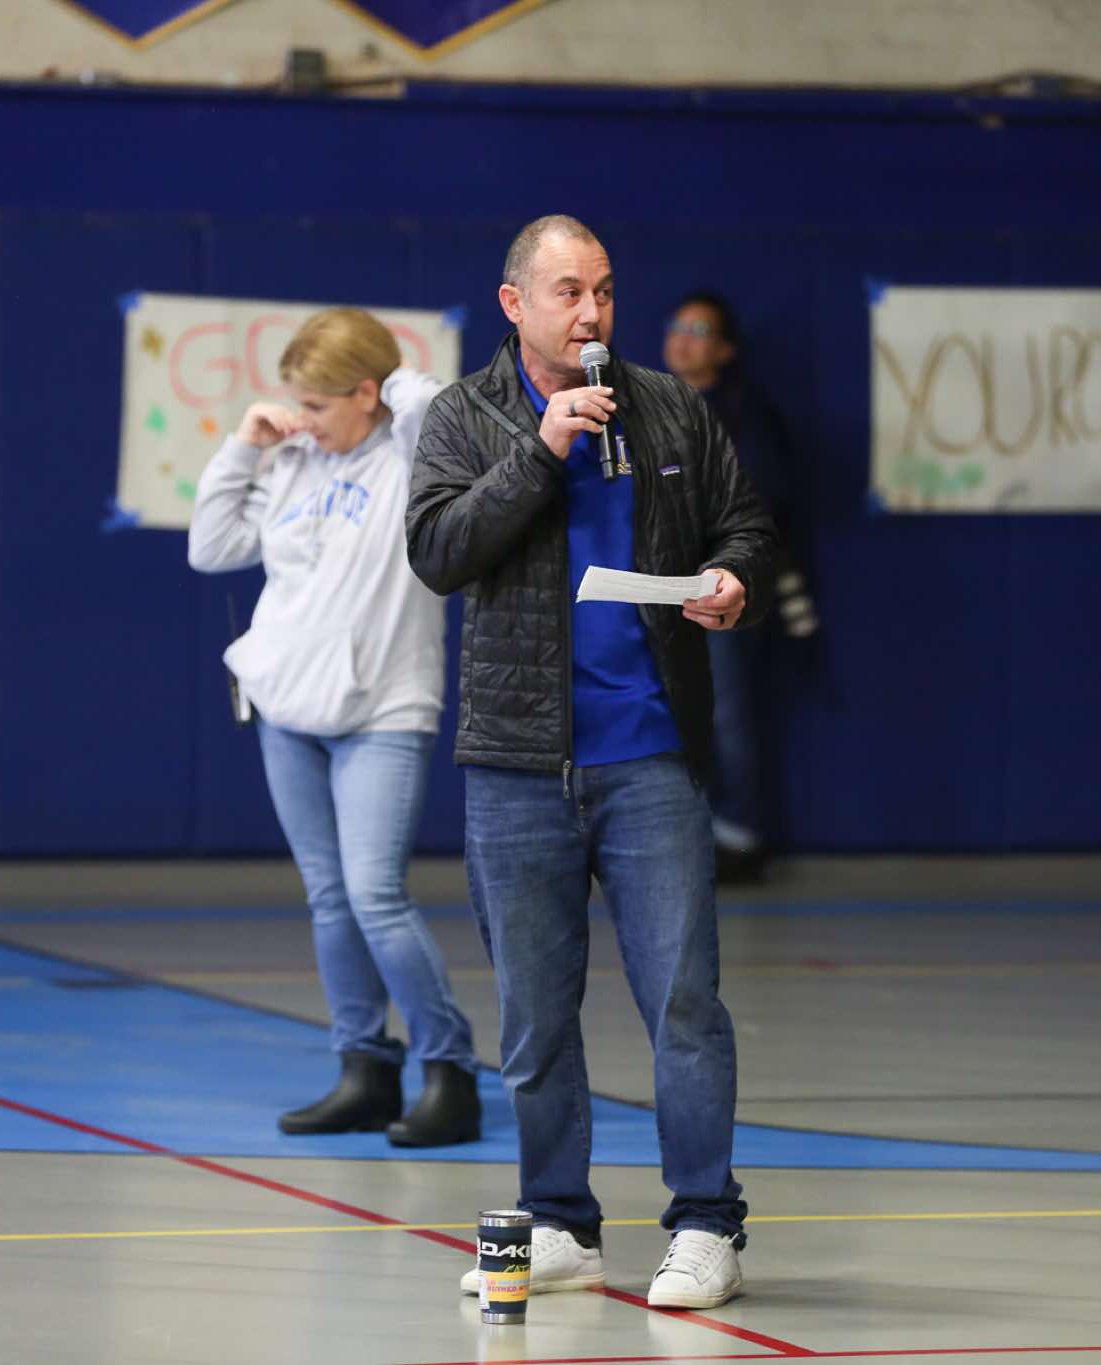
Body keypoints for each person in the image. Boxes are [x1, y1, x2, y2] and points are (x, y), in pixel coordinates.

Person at [403, 216, 778, 1308]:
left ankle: (706, 1224)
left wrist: (732, 581)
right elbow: (438, 553)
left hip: (651, 755)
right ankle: (561, 1221)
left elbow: (744, 526)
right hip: (516, 764)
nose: (592, 312)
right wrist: (542, 449)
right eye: (568, 291)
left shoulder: (668, 406)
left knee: (685, 1002)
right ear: (514, 303)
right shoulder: (465, 415)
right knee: (533, 1014)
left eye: (604, 291)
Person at [187, 307, 480, 1149]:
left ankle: (449, 1070)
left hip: (382, 711)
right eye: (297, 403)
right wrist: (244, 446)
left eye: (317, 404)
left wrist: (396, 384)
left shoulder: (414, 461)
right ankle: (364, 1068)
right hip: (286, 710)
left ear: (365, 393)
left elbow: (438, 410)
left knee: (376, 895)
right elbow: (212, 546)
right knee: (330, 898)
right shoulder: (292, 461)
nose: (302, 419)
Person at [663, 292, 819, 881]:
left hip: (720, 586)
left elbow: (758, 504)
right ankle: (687, 830)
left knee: (725, 711)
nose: (683, 339)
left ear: (725, 350)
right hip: (662, 588)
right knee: (673, 712)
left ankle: (740, 833)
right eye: (677, 326)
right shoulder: (647, 406)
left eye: (699, 330)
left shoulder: (744, 415)